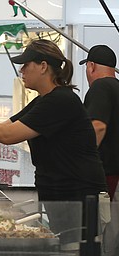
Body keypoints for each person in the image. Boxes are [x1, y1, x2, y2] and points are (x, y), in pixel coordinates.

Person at [0, 39, 107, 247]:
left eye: (26, 64)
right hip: (60, 195)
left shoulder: (62, 100)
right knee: (64, 247)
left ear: (43, 66)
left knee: (75, 250)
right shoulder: (43, 100)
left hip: (79, 197)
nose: (21, 70)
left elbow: (6, 135)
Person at [79, 44, 119, 256]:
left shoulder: (100, 87)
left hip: (110, 176)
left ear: (91, 66)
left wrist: (80, 161)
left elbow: (98, 126)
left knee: (106, 237)